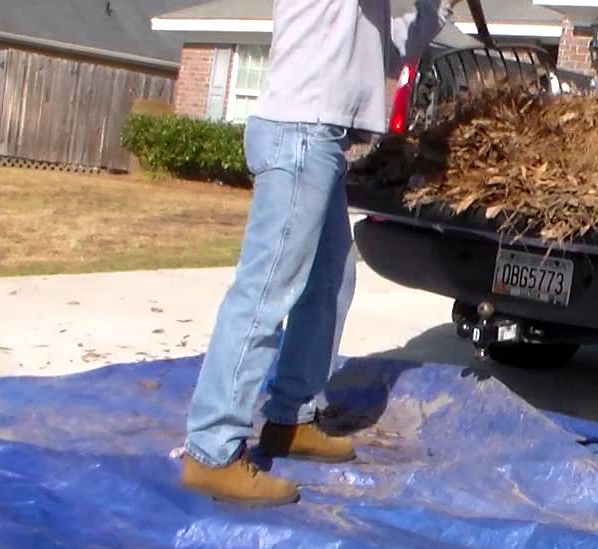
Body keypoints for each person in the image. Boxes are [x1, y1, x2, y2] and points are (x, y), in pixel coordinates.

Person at [181, 0, 459, 506]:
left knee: (332, 276)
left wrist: (438, 9)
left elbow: (389, 52)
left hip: (320, 140)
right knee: (266, 290)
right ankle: (210, 449)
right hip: (299, 134)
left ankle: (291, 414)